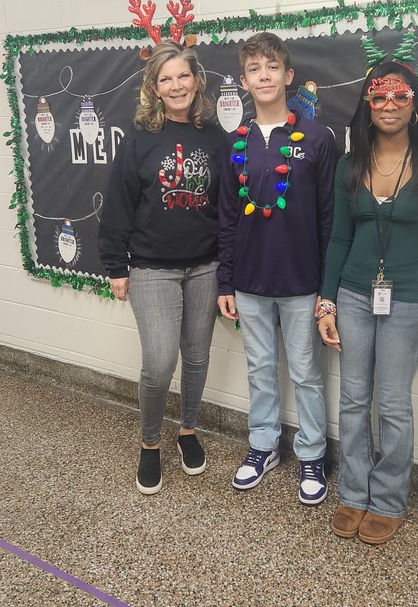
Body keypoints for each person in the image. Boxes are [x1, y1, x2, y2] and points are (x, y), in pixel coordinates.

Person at [317, 60, 418, 544]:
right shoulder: (348, 165)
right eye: (379, 96)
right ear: (367, 105)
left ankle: (389, 501)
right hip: (354, 296)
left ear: (414, 105)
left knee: (394, 405)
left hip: (411, 300)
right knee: (354, 399)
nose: (390, 105)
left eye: (400, 96)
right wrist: (327, 303)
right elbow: (337, 239)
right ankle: (354, 494)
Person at [98, 40, 228, 495]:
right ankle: (150, 442)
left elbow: (227, 206)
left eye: (183, 76)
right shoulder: (140, 137)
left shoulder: (214, 136)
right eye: (166, 78)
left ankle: (188, 430)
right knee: (159, 362)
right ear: (154, 87)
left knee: (196, 356)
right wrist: (116, 265)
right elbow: (118, 204)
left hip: (205, 266)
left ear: (197, 81)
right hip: (152, 267)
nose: (176, 85)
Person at [217, 32, 337, 506]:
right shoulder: (236, 143)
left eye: (272, 67)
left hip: (301, 282)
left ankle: (312, 453)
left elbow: (330, 218)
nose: (263, 76)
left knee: (306, 372)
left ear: (287, 76)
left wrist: (327, 289)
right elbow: (227, 218)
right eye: (253, 69)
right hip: (249, 282)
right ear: (244, 81)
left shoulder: (317, 137)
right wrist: (225, 280)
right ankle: (263, 444)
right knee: (260, 368)